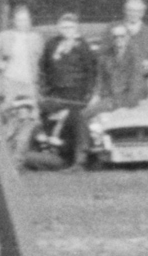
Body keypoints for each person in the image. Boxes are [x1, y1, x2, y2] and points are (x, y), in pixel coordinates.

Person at [34, 12, 100, 171]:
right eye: (64, 27)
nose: (67, 30)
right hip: (55, 94)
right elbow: (43, 68)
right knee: (44, 120)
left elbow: (91, 72)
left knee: (75, 120)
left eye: (70, 27)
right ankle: (46, 151)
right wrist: (43, 89)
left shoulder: (83, 46)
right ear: (59, 28)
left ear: (76, 28)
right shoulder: (51, 44)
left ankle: (80, 159)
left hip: (76, 94)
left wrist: (89, 94)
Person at [0, 4, 44, 166]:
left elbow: (40, 62)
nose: (23, 23)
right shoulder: (5, 36)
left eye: (25, 19)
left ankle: (17, 160)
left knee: (29, 120)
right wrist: (1, 65)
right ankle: (2, 159)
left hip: (29, 85)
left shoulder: (36, 38)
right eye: (19, 19)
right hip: (11, 83)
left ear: (30, 21)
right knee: (11, 119)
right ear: (14, 21)